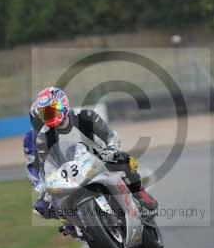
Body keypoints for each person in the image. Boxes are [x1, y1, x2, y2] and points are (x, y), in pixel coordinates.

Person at [30, 86, 158, 215]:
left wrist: (111, 149)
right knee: (51, 209)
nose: (49, 116)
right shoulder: (43, 138)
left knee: (125, 159)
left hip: (99, 159)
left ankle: (139, 193)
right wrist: (45, 193)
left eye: (52, 111)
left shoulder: (85, 116)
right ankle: (77, 229)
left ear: (62, 104)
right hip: (70, 175)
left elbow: (110, 136)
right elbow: (46, 169)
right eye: (45, 113)